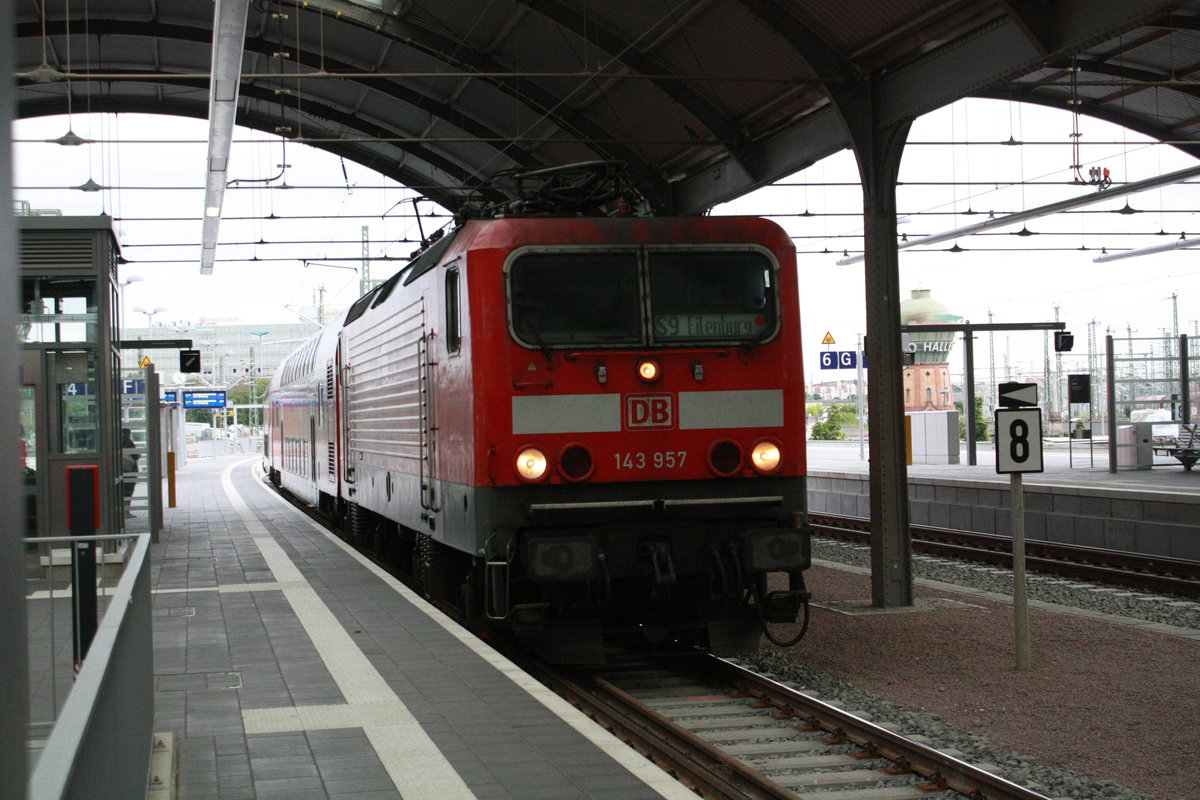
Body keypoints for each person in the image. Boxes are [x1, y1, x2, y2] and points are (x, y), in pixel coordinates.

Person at [121, 428, 139, 518]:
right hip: (130, 470)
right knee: (129, 491)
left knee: (122, 491)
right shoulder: (129, 443)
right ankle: (126, 511)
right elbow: (135, 456)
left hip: (121, 470)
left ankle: (121, 511)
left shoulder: (116, 442)